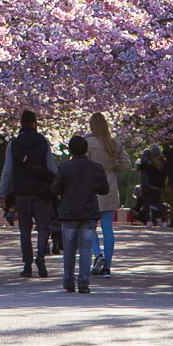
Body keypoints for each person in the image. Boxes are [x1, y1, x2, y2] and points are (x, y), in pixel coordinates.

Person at [0, 111, 56, 278]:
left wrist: (1, 193)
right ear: (34, 124)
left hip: (22, 193)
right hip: (42, 193)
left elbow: (7, 171)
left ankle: (27, 264)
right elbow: (51, 167)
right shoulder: (43, 142)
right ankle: (41, 258)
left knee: (25, 229)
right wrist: (58, 188)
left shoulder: (13, 145)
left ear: (21, 124)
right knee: (43, 227)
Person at [53, 135, 110, 294]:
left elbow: (55, 189)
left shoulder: (64, 168)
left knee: (69, 250)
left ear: (70, 150)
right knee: (86, 248)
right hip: (88, 212)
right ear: (86, 150)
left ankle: (68, 280)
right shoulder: (96, 168)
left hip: (69, 212)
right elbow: (104, 189)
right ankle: (84, 282)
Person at [87, 112, 124, 275]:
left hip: (92, 186)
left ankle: (98, 255)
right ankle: (107, 266)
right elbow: (126, 163)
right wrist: (113, 169)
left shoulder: (88, 143)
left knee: (90, 226)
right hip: (109, 184)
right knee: (107, 228)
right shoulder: (114, 143)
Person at [136, 146, 167, 224]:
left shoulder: (149, 163)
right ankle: (164, 221)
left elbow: (141, 168)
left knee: (146, 203)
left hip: (149, 186)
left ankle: (148, 221)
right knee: (159, 203)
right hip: (158, 187)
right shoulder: (163, 162)